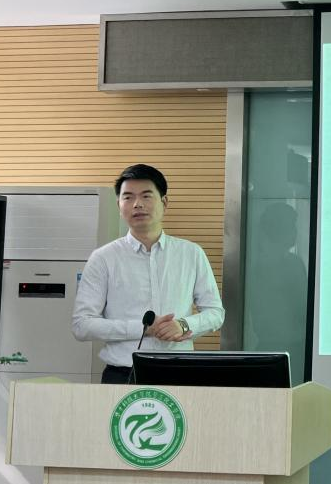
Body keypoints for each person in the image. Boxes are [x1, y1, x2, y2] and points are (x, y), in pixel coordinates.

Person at [72, 163, 225, 384]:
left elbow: (215, 313)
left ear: (164, 202)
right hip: (123, 374)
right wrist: (142, 329)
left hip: (179, 372)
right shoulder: (103, 258)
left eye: (146, 196)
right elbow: (82, 325)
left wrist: (183, 325)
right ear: (119, 205)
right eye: (128, 197)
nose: (137, 204)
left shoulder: (191, 253)